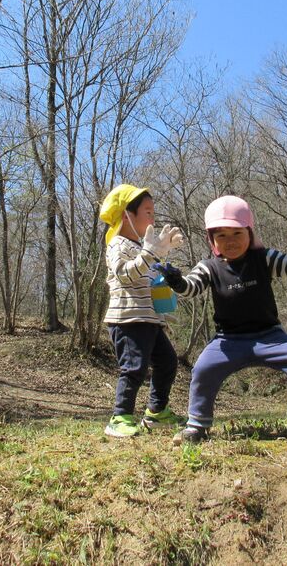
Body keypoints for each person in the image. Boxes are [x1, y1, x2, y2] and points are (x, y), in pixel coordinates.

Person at [155, 195, 287, 443]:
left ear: (250, 232)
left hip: (270, 336)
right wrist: (177, 282)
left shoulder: (263, 258)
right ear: (211, 239)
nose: (231, 241)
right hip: (228, 341)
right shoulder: (209, 267)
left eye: (237, 233)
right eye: (221, 235)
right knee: (203, 369)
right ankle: (197, 425)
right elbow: (191, 287)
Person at [99, 183, 186, 438]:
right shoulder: (117, 244)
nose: (152, 219)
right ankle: (120, 417)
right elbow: (125, 274)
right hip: (128, 319)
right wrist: (150, 253)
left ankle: (157, 412)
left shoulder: (139, 246)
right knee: (134, 367)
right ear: (128, 214)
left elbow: (146, 275)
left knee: (167, 362)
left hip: (150, 319)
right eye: (148, 212)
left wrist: (162, 255)